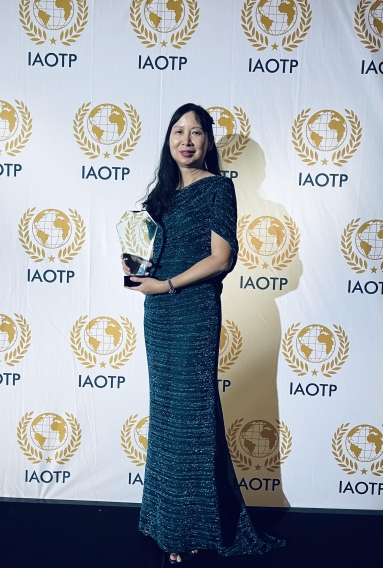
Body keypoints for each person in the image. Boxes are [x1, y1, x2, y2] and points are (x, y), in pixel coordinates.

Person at [122, 103, 285, 564]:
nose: (186, 140)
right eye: (178, 131)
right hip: (159, 312)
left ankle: (190, 528)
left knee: (191, 418)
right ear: (168, 139)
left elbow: (221, 258)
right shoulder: (162, 193)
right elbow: (156, 253)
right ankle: (164, 520)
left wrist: (167, 283)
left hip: (193, 311)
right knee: (169, 415)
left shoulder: (218, 189)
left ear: (208, 142)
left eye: (196, 132)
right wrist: (137, 268)